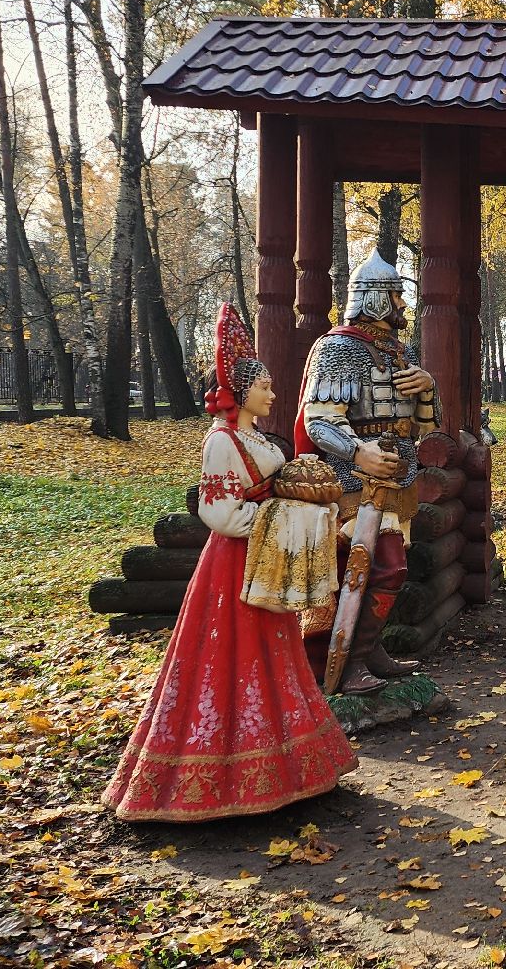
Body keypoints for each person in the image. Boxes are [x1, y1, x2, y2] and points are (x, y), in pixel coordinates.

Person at [103, 305, 358, 822]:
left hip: (265, 560)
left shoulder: (256, 438)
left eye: (267, 385)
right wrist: (280, 517)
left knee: (273, 651)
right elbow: (216, 510)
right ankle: (216, 780)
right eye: (262, 386)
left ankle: (288, 766)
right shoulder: (221, 441)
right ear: (241, 394)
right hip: (235, 565)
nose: (270, 393)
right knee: (230, 655)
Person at [295, 248, 436, 695]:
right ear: (374, 298)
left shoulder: (400, 352)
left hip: (397, 475)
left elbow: (423, 426)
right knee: (373, 568)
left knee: (388, 569)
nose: (401, 306)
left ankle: (369, 652)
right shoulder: (338, 348)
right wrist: (359, 455)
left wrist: (428, 388)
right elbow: (319, 421)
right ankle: (347, 662)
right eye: (395, 297)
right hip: (354, 480)